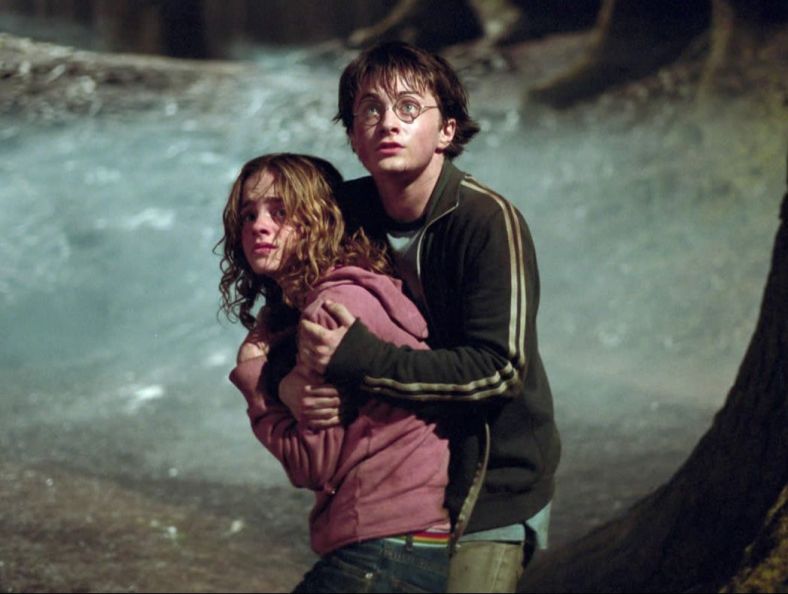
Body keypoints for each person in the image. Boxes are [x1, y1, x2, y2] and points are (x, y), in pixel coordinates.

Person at [278, 42, 562, 593]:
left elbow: (498, 370)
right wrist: (287, 381)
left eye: (409, 108)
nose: (389, 122)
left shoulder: (486, 221)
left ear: (447, 131)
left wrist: (361, 360)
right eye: (370, 109)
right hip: (399, 483)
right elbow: (279, 308)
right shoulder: (343, 215)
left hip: (490, 483)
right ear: (353, 137)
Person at [218, 153, 452, 593]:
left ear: (320, 219)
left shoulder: (330, 312)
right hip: (418, 540)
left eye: (280, 212)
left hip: (382, 546)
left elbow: (311, 465)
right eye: (249, 214)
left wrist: (254, 378)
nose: (259, 226)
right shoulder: (362, 288)